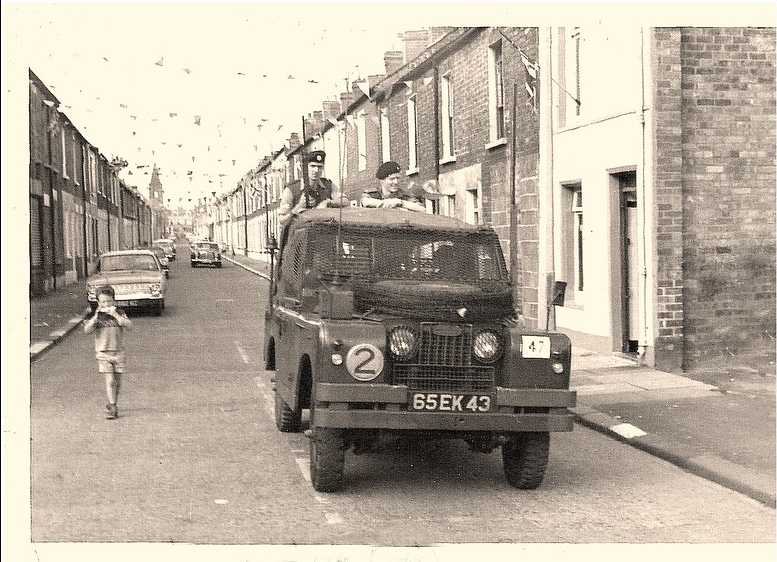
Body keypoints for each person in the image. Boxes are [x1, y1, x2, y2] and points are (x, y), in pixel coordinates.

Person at [83, 285, 133, 420]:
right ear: (98, 303)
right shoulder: (97, 317)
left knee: (117, 382)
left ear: (114, 301)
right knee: (110, 381)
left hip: (119, 352)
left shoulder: (120, 313)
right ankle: (113, 406)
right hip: (103, 353)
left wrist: (115, 314)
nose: (107, 304)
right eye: (104, 302)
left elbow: (129, 326)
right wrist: (95, 318)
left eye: (109, 301)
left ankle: (113, 403)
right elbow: (87, 330)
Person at [277, 150, 349, 226]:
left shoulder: (328, 185)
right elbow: (282, 220)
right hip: (299, 234)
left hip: (322, 232)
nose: (316, 170)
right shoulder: (291, 189)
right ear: (305, 167)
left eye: (320, 167)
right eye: (312, 166)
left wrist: (328, 202)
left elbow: (345, 201)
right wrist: (299, 206)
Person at [361, 161, 428, 212]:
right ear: (382, 180)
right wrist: (395, 203)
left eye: (398, 178)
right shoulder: (371, 194)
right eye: (392, 179)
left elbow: (422, 209)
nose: (396, 182)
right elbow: (366, 202)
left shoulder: (404, 195)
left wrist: (401, 202)